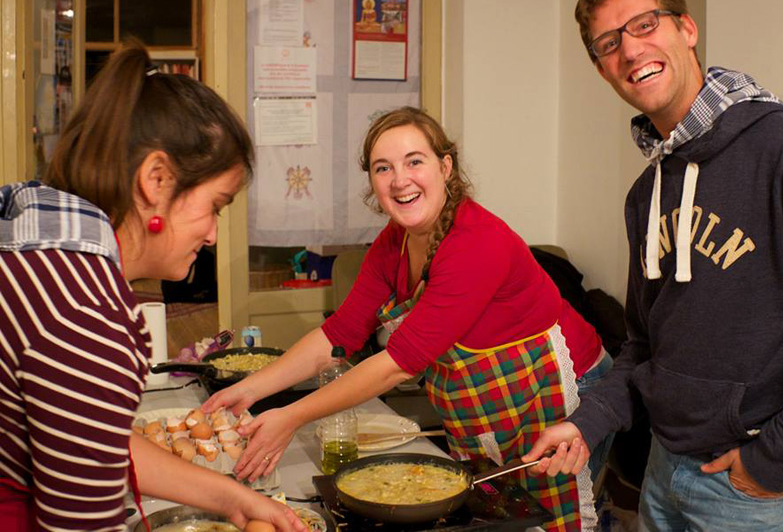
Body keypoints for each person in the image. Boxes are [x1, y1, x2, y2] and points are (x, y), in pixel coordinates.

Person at [523, 0, 783, 531]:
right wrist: (587, 422)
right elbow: (644, 345)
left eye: (644, 24)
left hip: (747, 483)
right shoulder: (645, 195)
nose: (630, 50)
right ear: (603, 69)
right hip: (663, 465)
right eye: (609, 43)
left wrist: (775, 460)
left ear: (687, 29)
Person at [203, 106, 607, 532]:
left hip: (562, 391)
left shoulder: (476, 242)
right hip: (494, 406)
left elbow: (399, 363)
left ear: (445, 167)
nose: (400, 180)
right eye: (383, 168)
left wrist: (290, 416)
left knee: (543, 522)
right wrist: (248, 389)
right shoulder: (393, 244)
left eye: (415, 161)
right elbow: (338, 335)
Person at [0, 40, 306, 532]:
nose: (212, 236)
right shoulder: (85, 314)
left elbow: (94, 440)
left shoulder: (45, 238)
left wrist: (233, 498)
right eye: (216, 206)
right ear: (156, 179)